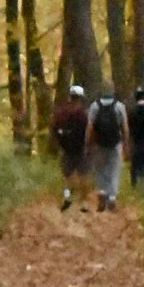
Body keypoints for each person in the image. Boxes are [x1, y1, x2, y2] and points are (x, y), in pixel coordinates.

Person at [86, 87, 129, 210]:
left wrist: (88, 143)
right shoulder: (119, 106)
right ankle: (112, 198)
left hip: (99, 144)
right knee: (114, 170)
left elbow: (90, 127)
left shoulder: (95, 106)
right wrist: (126, 144)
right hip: (115, 143)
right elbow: (125, 128)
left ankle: (102, 192)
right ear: (112, 93)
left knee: (100, 169)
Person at [52, 77, 92, 209]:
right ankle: (84, 202)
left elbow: (54, 129)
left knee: (67, 178)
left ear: (70, 96)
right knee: (83, 177)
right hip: (81, 150)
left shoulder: (62, 112)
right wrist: (88, 147)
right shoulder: (84, 114)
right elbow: (89, 132)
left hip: (66, 150)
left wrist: (59, 145)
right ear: (81, 98)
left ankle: (67, 197)